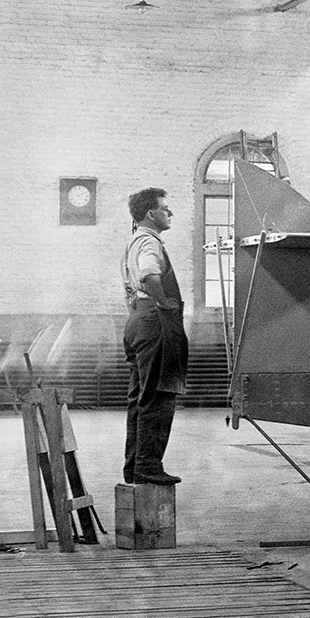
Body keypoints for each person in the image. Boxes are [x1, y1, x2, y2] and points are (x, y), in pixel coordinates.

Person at [121, 186, 189, 487]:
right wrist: (163, 301)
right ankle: (148, 465)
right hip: (154, 321)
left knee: (140, 399)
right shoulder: (149, 242)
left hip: (137, 321)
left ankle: (136, 467)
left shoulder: (133, 241)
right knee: (159, 397)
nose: (170, 213)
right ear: (151, 213)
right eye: (165, 208)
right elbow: (150, 276)